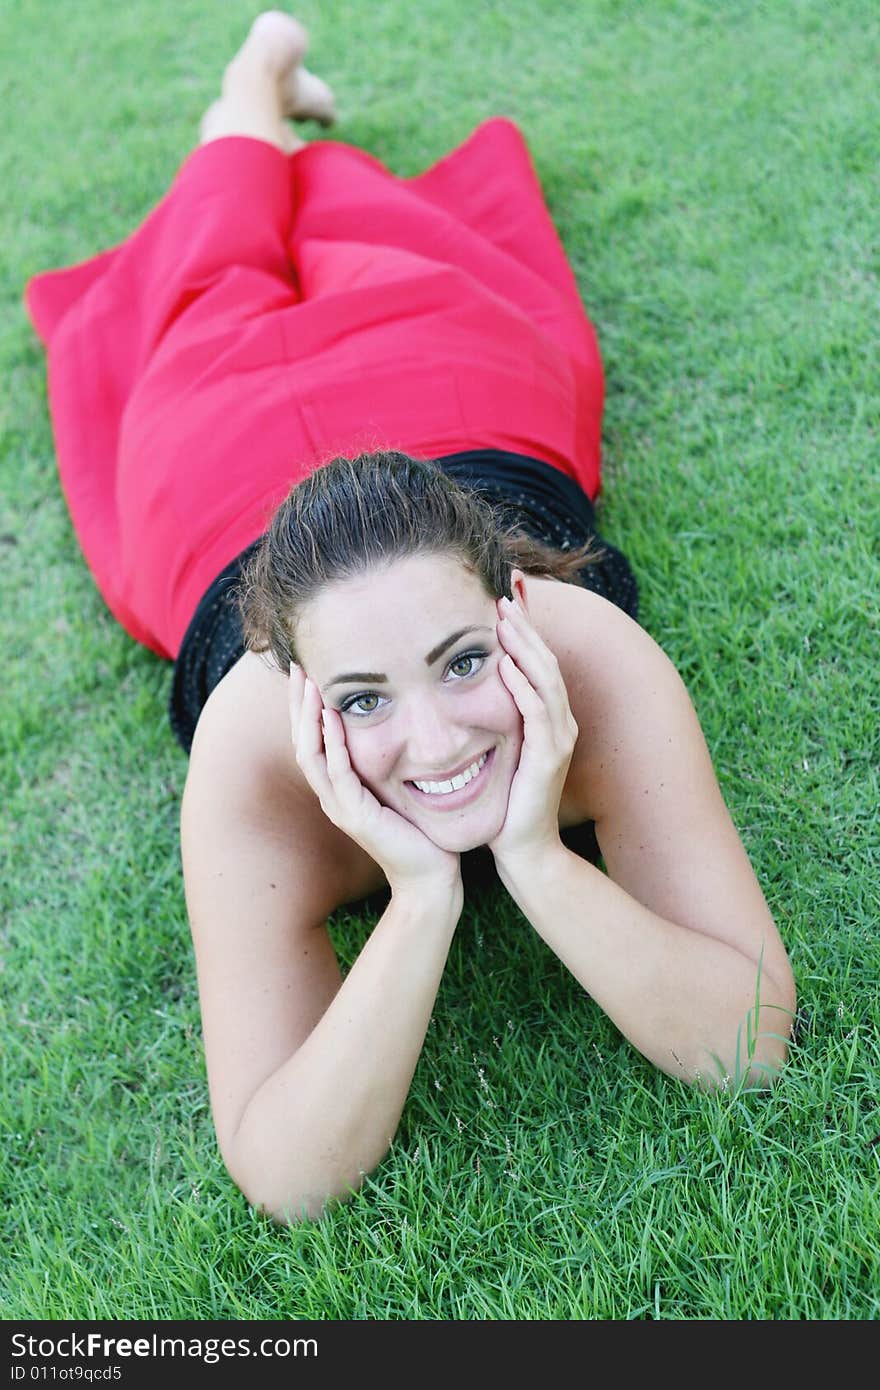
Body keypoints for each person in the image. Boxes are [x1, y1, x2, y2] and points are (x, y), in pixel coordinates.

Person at [25, 12, 796, 1225]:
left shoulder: (592, 660)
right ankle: (250, 94)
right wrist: (424, 896)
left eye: (462, 661)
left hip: (453, 391)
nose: (436, 744)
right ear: (296, 694)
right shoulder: (250, 760)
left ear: (514, 607)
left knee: (397, 256)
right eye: (363, 698)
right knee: (206, 293)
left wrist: (535, 854)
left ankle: (275, 126)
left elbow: (746, 1043)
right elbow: (285, 1173)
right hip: (218, 469)